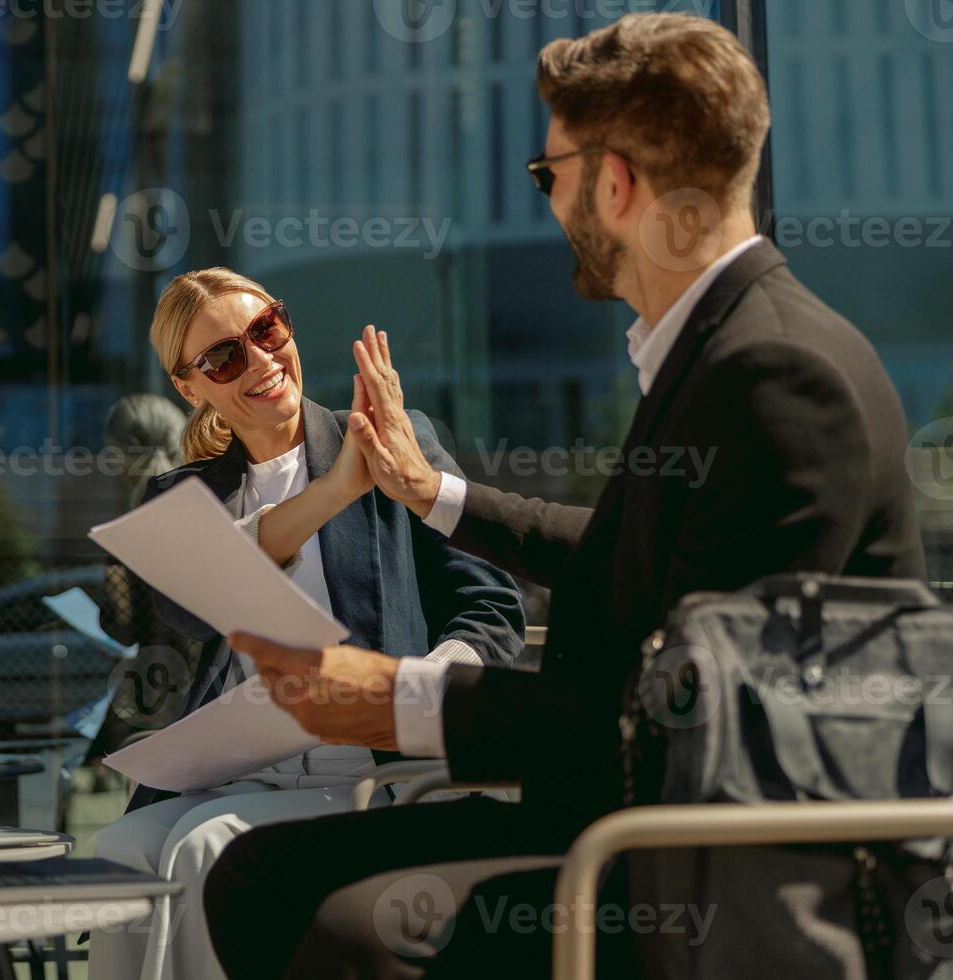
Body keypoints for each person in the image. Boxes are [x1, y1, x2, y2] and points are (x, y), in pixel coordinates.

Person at [202, 13, 927, 979]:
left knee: (328, 914)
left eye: (550, 177)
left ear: (615, 185)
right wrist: (431, 494)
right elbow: (628, 553)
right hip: (627, 834)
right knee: (256, 872)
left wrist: (397, 699)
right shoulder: (727, 352)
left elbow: (695, 721)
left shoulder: (775, 377)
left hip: (705, 881)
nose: (547, 202)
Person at [90, 267, 526, 980]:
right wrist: (332, 494)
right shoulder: (182, 496)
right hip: (237, 774)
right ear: (189, 387)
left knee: (206, 847)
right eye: (225, 356)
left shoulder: (398, 440)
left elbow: (492, 603)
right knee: (118, 850)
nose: (261, 360)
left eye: (267, 331)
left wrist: (417, 692)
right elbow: (186, 608)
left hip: (368, 769)